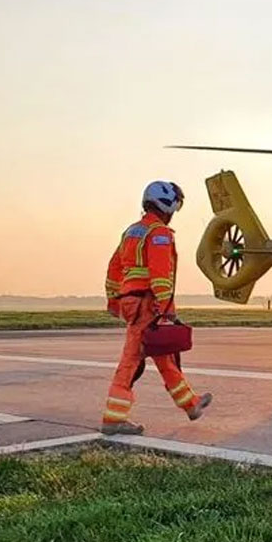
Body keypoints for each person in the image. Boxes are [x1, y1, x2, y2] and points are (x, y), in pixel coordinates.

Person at [100, 181, 212, 434]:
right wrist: (167, 308)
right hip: (147, 303)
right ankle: (113, 418)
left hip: (131, 301)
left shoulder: (132, 232)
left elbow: (114, 268)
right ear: (167, 205)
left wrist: (113, 301)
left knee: (164, 354)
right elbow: (160, 275)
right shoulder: (160, 233)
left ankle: (191, 404)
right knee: (130, 361)